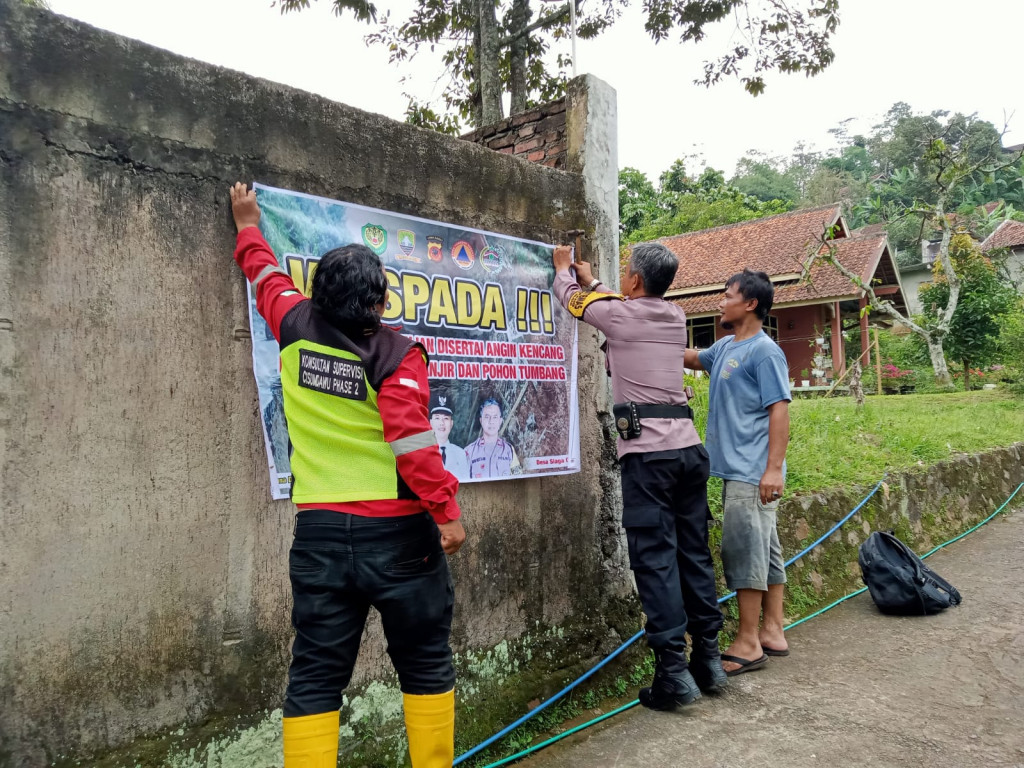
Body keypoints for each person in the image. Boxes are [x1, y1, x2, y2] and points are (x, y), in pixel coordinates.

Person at [228, 183, 466, 768]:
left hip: (320, 536)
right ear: (379, 301)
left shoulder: (291, 321)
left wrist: (247, 224)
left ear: (317, 292)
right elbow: (413, 443)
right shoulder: (395, 354)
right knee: (425, 662)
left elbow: (262, 274)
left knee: (314, 675)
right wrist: (448, 513)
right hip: (402, 538)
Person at [552, 242, 727, 710]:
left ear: (633, 281)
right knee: (694, 553)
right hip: (690, 451)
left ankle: (673, 671)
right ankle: (707, 659)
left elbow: (571, 300)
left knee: (655, 560)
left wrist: (565, 270)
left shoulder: (620, 316)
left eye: (626, 274)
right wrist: (597, 283)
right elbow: (618, 307)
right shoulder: (674, 317)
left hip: (650, 459)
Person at [684, 269, 792, 677]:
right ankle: (772, 630)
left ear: (749, 304)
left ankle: (748, 642)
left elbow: (778, 408)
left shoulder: (765, 352)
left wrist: (773, 470)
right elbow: (692, 357)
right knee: (767, 549)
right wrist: (646, 328)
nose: (720, 301)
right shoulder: (728, 346)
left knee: (744, 550)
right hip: (741, 469)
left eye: (727, 295)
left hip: (753, 471)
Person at [464, 398, 521, 479]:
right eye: (487, 417)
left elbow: (518, 478)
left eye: (495, 417)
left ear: (500, 421)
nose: (491, 421)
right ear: (481, 420)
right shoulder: (469, 452)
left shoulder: (509, 450)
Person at [430, 390, 470, 480]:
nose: (442, 423)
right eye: (437, 418)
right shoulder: (423, 453)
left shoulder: (460, 454)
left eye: (446, 418)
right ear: (431, 423)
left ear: (451, 423)